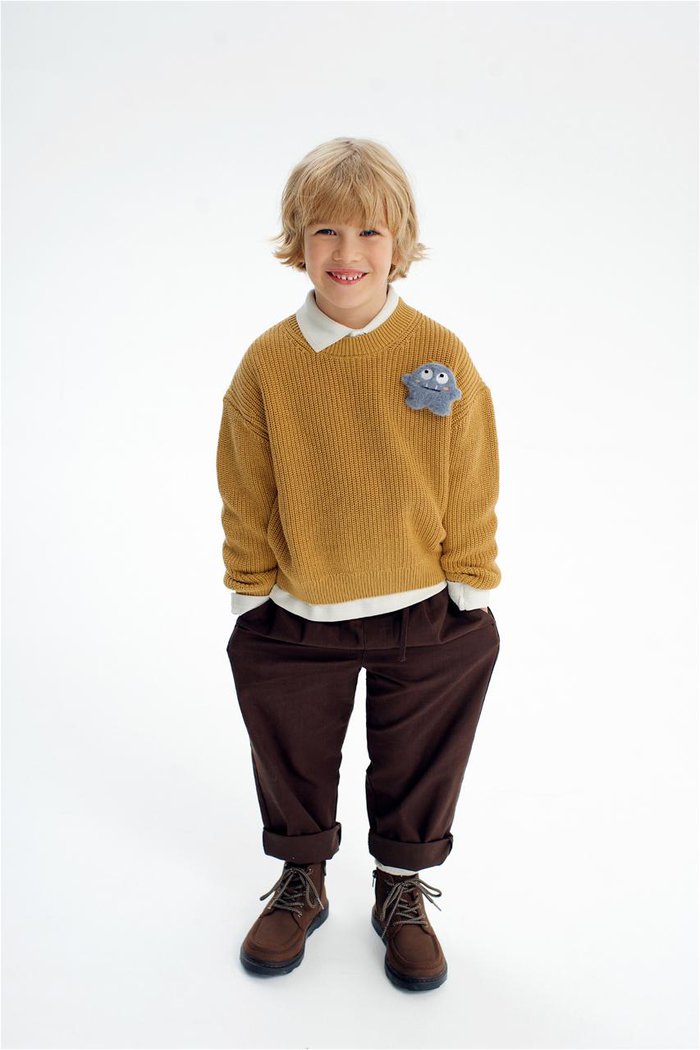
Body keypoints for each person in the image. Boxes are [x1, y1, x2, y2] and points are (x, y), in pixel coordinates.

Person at [216, 136, 501, 992]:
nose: (348, 253)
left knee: (420, 751)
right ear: (298, 242)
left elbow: (471, 472)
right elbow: (245, 484)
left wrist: (471, 577)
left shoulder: (439, 351)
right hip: (300, 606)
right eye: (327, 231)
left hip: (424, 603)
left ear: (400, 244)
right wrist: (250, 588)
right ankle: (302, 874)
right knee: (291, 746)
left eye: (370, 232)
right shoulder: (269, 363)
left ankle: (400, 885)